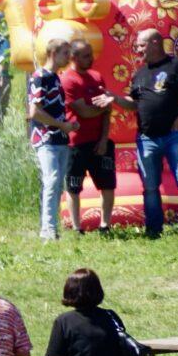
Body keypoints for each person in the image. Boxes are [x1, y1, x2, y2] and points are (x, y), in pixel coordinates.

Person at [127, 28, 178, 236]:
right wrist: (113, 100)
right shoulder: (139, 74)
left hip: (173, 135)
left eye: (141, 44)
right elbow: (134, 104)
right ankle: (153, 229)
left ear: (155, 42)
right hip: (146, 137)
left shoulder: (177, 65)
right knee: (149, 186)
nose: (138, 49)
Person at [60, 39, 120, 232]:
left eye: (91, 54)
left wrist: (103, 139)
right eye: (86, 56)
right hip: (76, 144)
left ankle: (105, 224)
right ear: (73, 57)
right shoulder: (68, 79)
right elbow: (83, 111)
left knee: (108, 183)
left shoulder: (97, 77)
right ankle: (77, 227)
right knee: (73, 186)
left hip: (99, 142)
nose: (91, 59)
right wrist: (102, 108)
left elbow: (108, 110)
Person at [23, 37, 74, 240]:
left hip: (59, 138)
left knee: (57, 183)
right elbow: (34, 111)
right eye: (65, 53)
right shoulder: (40, 77)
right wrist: (62, 125)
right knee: (51, 181)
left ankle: (52, 227)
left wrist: (67, 124)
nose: (69, 57)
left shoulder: (55, 78)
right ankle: (48, 230)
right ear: (53, 53)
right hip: (46, 138)